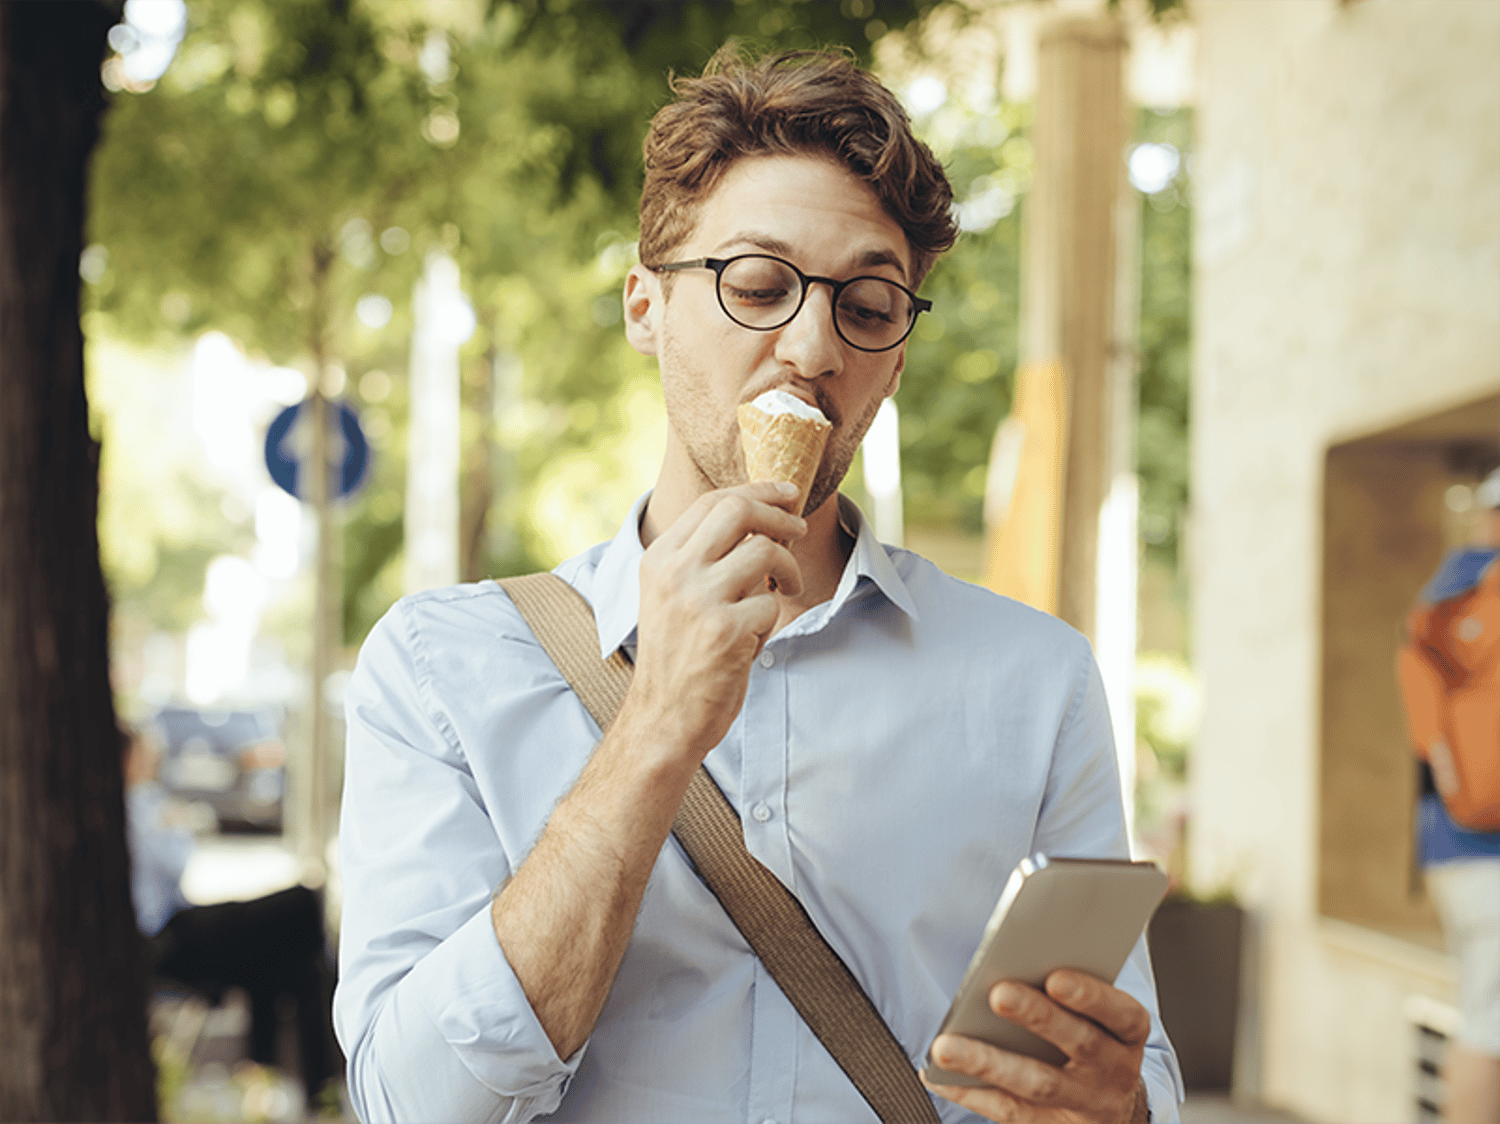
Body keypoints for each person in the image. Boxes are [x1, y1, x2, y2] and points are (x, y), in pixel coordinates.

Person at [334, 46, 1183, 1124]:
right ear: (646, 306)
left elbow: (1128, 1071)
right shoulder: (439, 667)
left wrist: (1115, 1104)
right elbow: (416, 1103)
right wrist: (655, 729)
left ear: (897, 356)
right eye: (758, 285)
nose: (812, 345)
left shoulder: (1034, 679)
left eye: (869, 304)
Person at [124, 724, 336, 1108]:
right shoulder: (134, 804)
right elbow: (176, 862)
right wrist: (174, 824)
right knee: (301, 909)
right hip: (165, 940)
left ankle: (283, 1081)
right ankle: (315, 1086)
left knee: (295, 961)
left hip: (170, 932)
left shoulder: (136, 804)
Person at [1408, 472, 1500, 1124]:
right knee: (1489, 1029)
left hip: (1449, 844)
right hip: (1493, 850)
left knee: (1480, 1013)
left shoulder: (1440, 597)